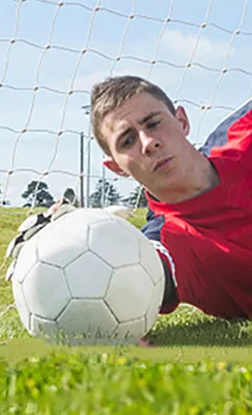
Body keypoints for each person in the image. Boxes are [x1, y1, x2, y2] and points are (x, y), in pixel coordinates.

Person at [89, 75, 252, 320]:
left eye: (154, 123)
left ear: (182, 121)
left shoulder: (243, 133)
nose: (149, 143)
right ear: (117, 168)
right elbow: (116, 293)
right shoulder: (163, 246)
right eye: (128, 140)